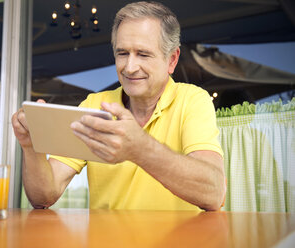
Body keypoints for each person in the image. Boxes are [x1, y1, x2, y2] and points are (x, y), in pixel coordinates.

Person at [12, 1, 226, 211]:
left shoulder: (193, 100)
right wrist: (32, 146)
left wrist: (140, 148)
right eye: (122, 53)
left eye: (143, 54)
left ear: (172, 60)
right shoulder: (94, 105)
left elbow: (214, 193)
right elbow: (43, 197)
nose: (130, 67)